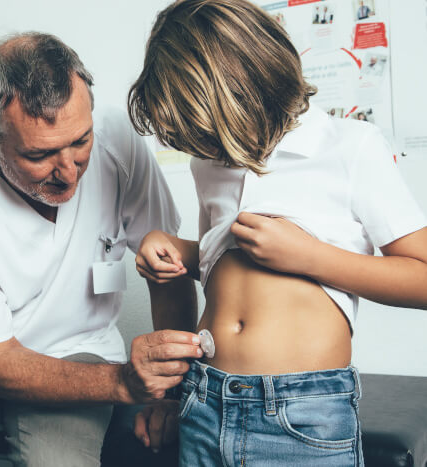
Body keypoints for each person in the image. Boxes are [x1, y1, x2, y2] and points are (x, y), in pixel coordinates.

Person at [0, 32, 200, 467]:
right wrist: (124, 382)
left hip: (76, 350)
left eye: (81, 142)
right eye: (40, 155)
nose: (69, 173)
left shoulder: (117, 140)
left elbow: (170, 267)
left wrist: (168, 394)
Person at [128, 0, 427, 465]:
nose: (206, 149)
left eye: (208, 132)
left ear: (251, 85)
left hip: (302, 410)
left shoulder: (350, 147)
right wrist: (173, 252)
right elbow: (220, 265)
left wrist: (310, 257)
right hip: (204, 399)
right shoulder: (209, 164)